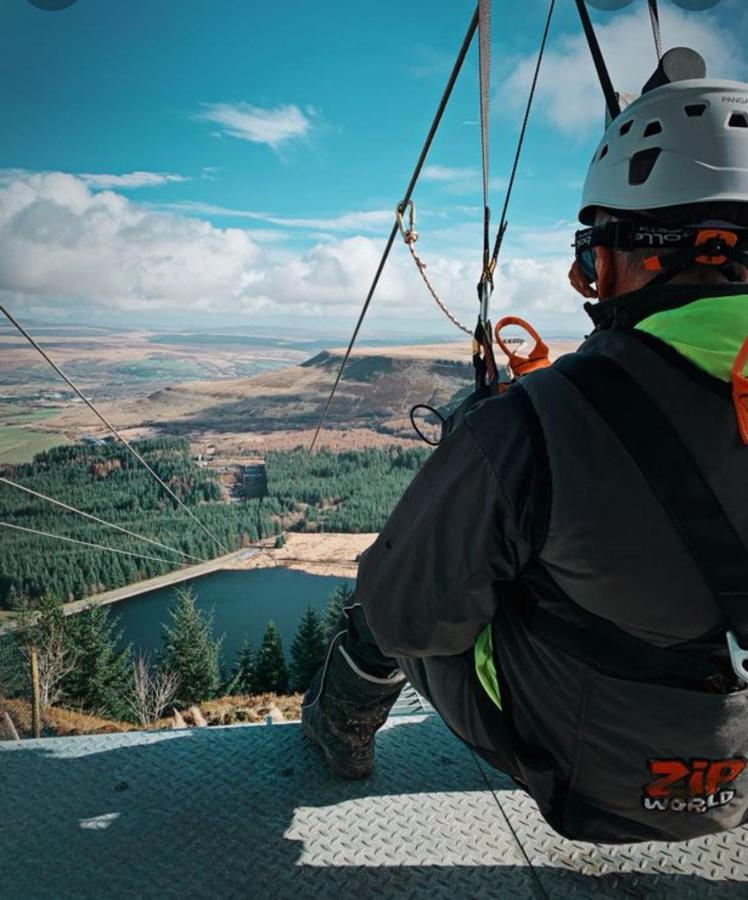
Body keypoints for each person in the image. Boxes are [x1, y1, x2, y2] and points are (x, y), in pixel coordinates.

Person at [302, 74, 748, 844]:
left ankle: (340, 725)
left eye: (590, 255)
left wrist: (504, 448)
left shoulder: (529, 427)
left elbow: (410, 614)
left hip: (599, 779)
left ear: (637, 256)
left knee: (392, 584)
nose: (587, 279)